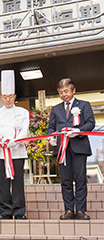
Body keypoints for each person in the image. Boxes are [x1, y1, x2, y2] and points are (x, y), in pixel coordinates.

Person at [47, 78, 95, 220]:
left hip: (79, 147)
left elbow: (90, 123)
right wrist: (51, 136)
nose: (63, 94)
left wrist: (78, 131)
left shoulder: (84, 105)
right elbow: (51, 127)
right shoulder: (55, 109)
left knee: (80, 180)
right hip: (62, 148)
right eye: (61, 92)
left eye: (66, 91)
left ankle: (80, 210)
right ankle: (69, 209)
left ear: (73, 91)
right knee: (66, 180)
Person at [0, 70, 29, 220]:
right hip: (1, 152)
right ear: (1, 98)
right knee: (3, 183)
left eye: (10, 96)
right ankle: (4, 211)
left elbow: (25, 130)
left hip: (17, 152)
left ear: (15, 97)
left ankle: (19, 211)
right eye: (5, 97)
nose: (8, 99)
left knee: (18, 183)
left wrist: (14, 141)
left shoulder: (23, 112)